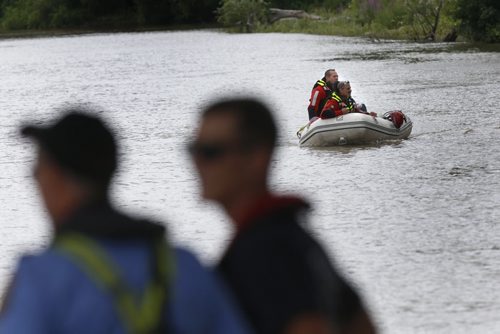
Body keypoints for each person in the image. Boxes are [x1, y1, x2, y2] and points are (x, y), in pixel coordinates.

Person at [0, 109, 251, 334]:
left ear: (57, 178)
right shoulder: (185, 266)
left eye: (37, 171)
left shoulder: (40, 278)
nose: (35, 182)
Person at [188, 97, 377, 334]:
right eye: (192, 150)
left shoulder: (262, 251)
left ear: (257, 157)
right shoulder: (295, 237)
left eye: (210, 152)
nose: (196, 163)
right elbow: (361, 324)